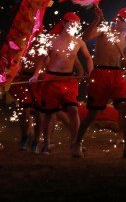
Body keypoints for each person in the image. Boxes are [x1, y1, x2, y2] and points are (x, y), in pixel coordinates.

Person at [74, 6, 126, 158]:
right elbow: (84, 38)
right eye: (125, 21)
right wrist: (96, 20)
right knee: (92, 114)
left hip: (117, 74)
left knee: (125, 107)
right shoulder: (105, 29)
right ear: (118, 19)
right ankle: (77, 144)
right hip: (100, 73)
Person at [30, 12, 93, 156]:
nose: (73, 26)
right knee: (49, 115)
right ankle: (46, 145)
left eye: (75, 25)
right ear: (63, 23)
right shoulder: (51, 40)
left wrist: (91, 71)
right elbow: (41, 58)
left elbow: (88, 58)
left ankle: (76, 144)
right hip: (51, 79)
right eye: (70, 23)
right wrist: (35, 74)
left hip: (68, 80)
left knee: (73, 110)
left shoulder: (78, 42)